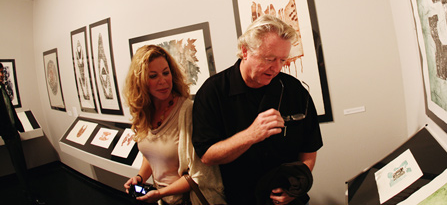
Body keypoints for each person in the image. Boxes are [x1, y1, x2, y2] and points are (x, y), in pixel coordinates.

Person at [192, 15, 323, 205]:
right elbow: (207, 156)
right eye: (269, 59)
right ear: (245, 51)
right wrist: (251, 135)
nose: (276, 68)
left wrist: (296, 187)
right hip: (241, 199)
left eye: (283, 60)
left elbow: (309, 151)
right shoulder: (213, 92)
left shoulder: (294, 90)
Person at [123, 45, 226, 205]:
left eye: (166, 73)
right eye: (153, 76)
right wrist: (140, 177)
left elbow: (199, 175)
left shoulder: (187, 112)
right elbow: (151, 156)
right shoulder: (144, 114)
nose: (163, 81)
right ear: (141, 81)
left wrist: (160, 193)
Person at [0, 63, 45, 205]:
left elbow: (9, 111)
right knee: (19, 164)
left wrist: (18, 126)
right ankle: (28, 193)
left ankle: (27, 191)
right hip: (7, 132)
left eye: (2, 72)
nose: (1, 75)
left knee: (20, 163)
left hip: (12, 131)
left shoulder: (2, 89)